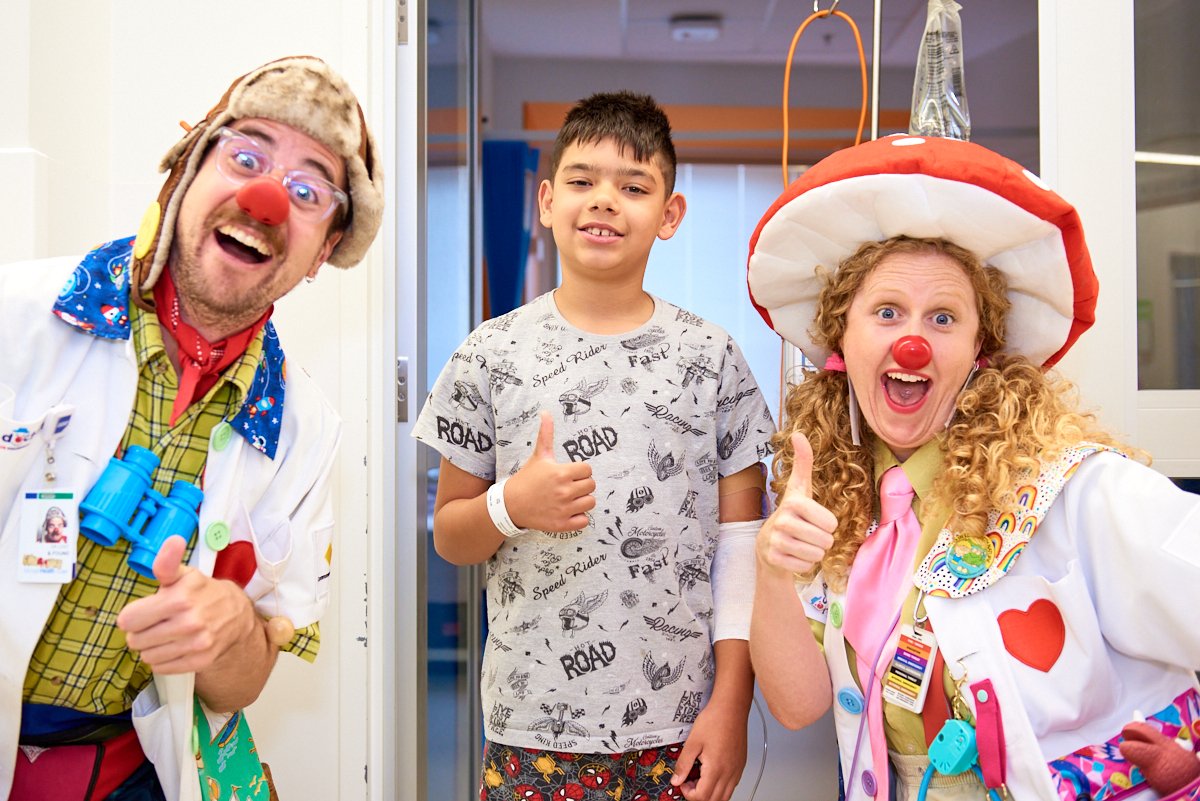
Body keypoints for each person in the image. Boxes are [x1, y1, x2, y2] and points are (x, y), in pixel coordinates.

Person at [745, 135, 1200, 801]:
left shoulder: (1072, 490)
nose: (913, 339)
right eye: (888, 311)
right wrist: (769, 567)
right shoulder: (831, 499)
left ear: (979, 350)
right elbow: (798, 705)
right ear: (841, 336)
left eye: (944, 316)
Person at [0, 56, 383, 801]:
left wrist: (234, 626)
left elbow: (239, 686)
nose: (267, 198)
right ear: (184, 172)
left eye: (307, 191)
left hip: (129, 771)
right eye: (245, 156)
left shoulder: (304, 431)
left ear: (323, 251)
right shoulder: (15, 315)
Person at [414, 91, 775, 801]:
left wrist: (732, 702)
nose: (604, 200)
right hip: (530, 727)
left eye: (634, 186)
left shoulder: (714, 358)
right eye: (582, 181)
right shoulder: (488, 355)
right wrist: (511, 506)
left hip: (679, 725)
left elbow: (742, 545)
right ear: (547, 201)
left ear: (669, 215)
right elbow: (452, 538)